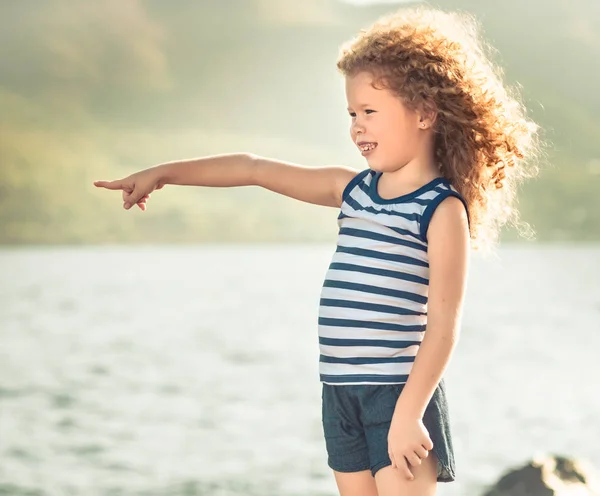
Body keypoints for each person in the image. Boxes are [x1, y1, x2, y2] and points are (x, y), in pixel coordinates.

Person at [94, 5, 539, 496]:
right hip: (338, 393)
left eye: (370, 112)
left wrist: (409, 414)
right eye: (352, 114)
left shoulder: (440, 210)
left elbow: (443, 329)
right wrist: (163, 173)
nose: (357, 126)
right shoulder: (351, 190)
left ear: (425, 113)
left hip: (398, 395)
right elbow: (254, 168)